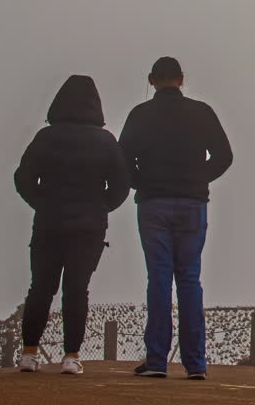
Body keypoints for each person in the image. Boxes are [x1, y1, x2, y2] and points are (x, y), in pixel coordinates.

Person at [119, 57, 232, 380]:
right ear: (181, 80)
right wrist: (199, 179)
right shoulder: (201, 112)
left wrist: (142, 182)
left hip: (154, 203)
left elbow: (122, 159)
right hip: (193, 204)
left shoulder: (140, 115)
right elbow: (225, 156)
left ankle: (156, 361)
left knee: (159, 279)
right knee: (189, 280)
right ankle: (196, 364)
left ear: (152, 80)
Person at [14, 75, 130, 375]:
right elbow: (121, 184)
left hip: (49, 223)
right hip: (89, 228)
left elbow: (23, 178)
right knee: (77, 290)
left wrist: (41, 202)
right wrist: (101, 206)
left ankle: (28, 353)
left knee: (40, 289)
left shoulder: (46, 137)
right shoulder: (105, 141)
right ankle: (71, 356)